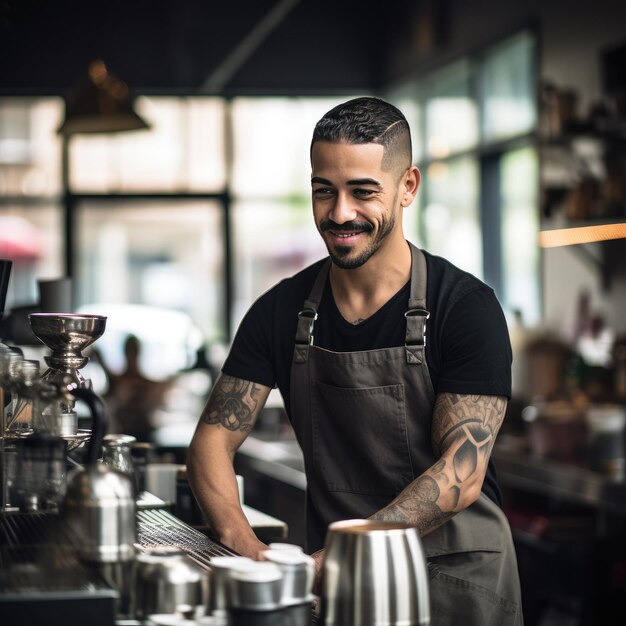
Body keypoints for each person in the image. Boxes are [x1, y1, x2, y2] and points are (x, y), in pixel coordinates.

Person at [187, 97, 523, 625]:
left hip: (457, 581)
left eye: (363, 191)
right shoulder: (280, 311)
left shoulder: (464, 307)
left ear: (407, 186)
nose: (340, 212)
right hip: (338, 583)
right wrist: (245, 546)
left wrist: (350, 547)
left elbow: (463, 471)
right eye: (325, 190)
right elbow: (211, 440)